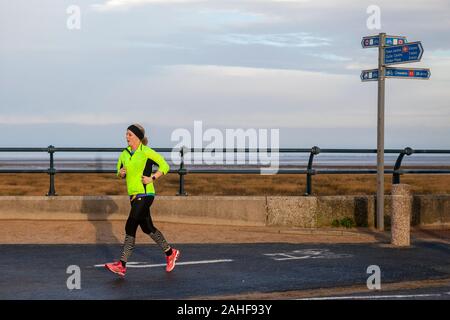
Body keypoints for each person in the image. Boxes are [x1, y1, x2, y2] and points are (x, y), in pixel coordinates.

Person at [105, 124, 180, 277]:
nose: (127, 137)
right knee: (147, 228)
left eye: (130, 135)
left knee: (130, 224)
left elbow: (165, 165)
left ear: (138, 137)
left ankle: (122, 264)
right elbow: (118, 171)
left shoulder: (146, 152)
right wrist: (121, 173)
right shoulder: (124, 154)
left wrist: (152, 178)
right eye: (126, 134)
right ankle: (170, 253)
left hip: (145, 194)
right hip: (133, 196)